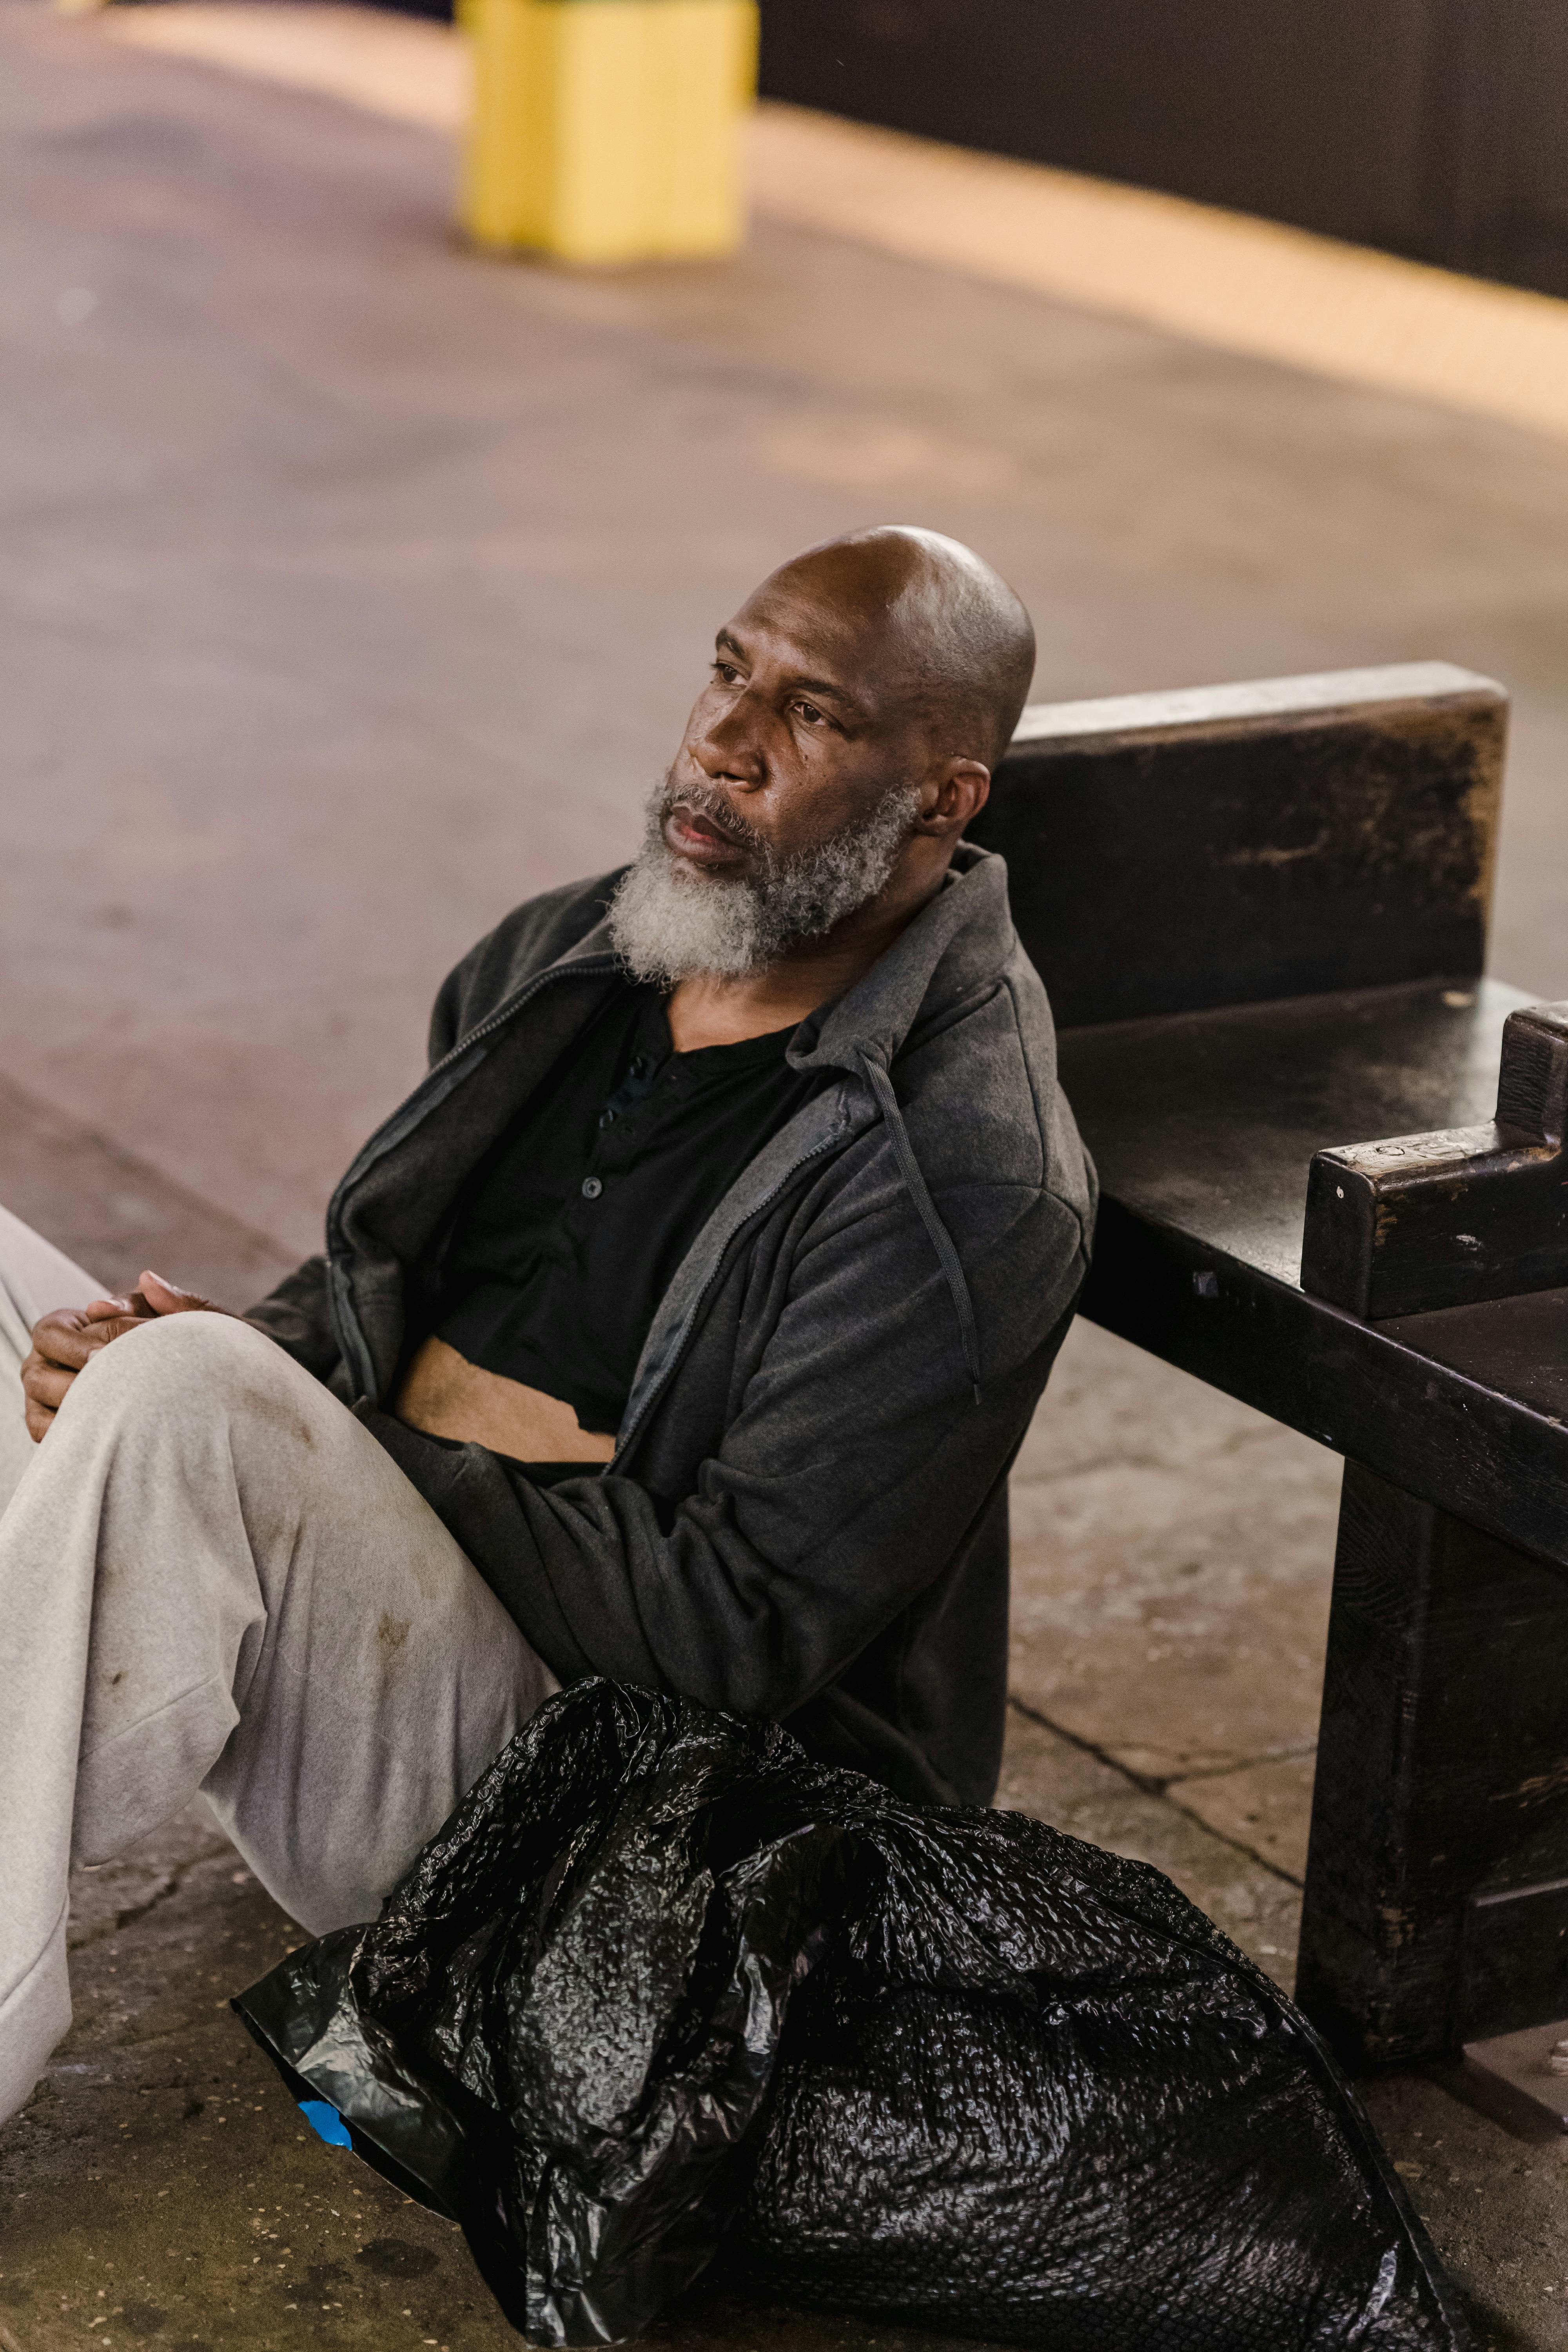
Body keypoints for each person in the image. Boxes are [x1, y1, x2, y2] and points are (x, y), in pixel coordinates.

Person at [0, 525, 1095, 2126]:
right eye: (730, 670)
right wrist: (244, 1367)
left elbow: (729, 1635)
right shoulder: (569, 954)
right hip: (369, 1682)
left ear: (944, 795)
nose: (722, 743)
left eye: (811, 716)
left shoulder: (967, 1174)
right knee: (110, 1354)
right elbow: (382, 1292)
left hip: (601, 1844)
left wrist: (317, 1434)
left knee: (177, 1407)